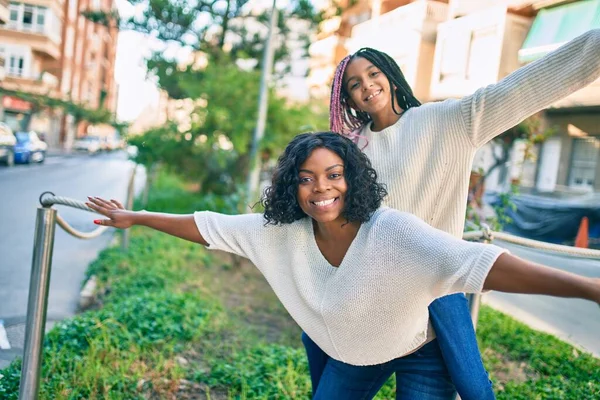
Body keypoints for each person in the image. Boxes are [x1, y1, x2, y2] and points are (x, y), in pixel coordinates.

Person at [87, 132, 600, 400]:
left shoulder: (391, 230)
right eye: (307, 178)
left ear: (352, 179)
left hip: (418, 351)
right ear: (292, 185)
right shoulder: (278, 235)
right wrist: (135, 217)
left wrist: (590, 289)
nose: (321, 188)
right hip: (352, 356)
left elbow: (479, 264)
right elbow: (207, 225)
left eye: (333, 175)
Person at [298, 28, 600, 399]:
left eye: (374, 73)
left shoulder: (449, 120)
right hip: (371, 305)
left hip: (435, 305)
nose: (367, 86)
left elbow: (522, 88)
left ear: (391, 76)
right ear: (350, 101)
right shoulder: (350, 152)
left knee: (475, 390)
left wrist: (595, 45)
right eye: (354, 84)